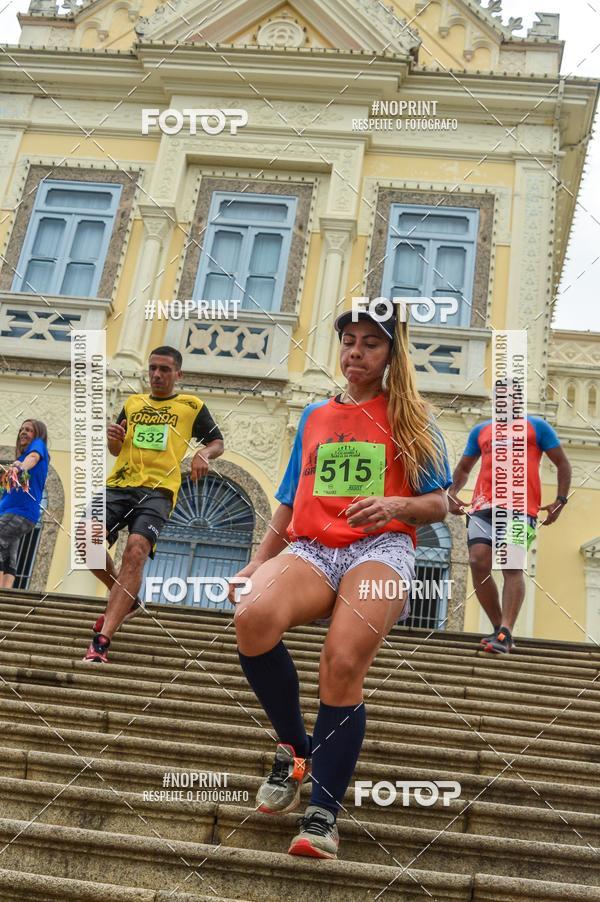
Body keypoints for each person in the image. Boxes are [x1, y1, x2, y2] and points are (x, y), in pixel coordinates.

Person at [230, 305, 451, 860]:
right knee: (252, 615)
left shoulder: (413, 417)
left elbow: (442, 502)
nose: (355, 352)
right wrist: (258, 563)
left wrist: (396, 504)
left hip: (381, 548)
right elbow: (288, 501)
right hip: (312, 548)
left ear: (393, 354)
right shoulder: (314, 416)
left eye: (370, 344)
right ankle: (294, 747)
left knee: (343, 660)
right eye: (349, 341)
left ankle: (323, 813)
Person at [82, 346, 224, 663]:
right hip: (119, 484)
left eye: (164, 369)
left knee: (136, 549)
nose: (157, 374)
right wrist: (114, 437)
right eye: (153, 369)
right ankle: (128, 598)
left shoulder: (191, 406)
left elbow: (217, 441)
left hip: (158, 490)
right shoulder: (133, 403)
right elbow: (116, 448)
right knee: (86, 540)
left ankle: (102, 641)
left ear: (178, 374)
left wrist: (203, 454)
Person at [448, 400, 571, 654]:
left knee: (511, 565)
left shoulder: (537, 427)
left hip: (519, 508)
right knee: (477, 561)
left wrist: (560, 500)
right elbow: (463, 467)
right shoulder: (481, 430)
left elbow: (563, 464)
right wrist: (452, 492)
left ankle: (506, 630)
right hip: (482, 508)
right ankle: (498, 629)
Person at [0, 420, 49, 588]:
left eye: (28, 430)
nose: (23, 432)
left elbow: (33, 458)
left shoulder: (38, 446)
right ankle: (5, 596)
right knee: (8, 556)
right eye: (21, 429)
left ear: (37, 434)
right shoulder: (19, 459)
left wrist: (21, 467)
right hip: (14, 514)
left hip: (19, 513)